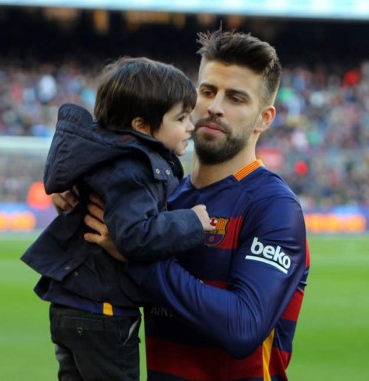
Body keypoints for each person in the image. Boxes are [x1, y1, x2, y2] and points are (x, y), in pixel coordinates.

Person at [55, 29, 311, 380]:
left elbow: (242, 327)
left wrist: (137, 255)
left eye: (236, 99)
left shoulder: (273, 207)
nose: (215, 107)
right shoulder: (161, 194)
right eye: (207, 91)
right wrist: (76, 191)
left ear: (264, 118)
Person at [22, 57, 215, 381]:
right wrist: (192, 222)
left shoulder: (113, 156)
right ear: (141, 126)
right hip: (103, 312)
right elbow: (134, 234)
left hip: (74, 307)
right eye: (180, 118)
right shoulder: (134, 167)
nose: (190, 127)